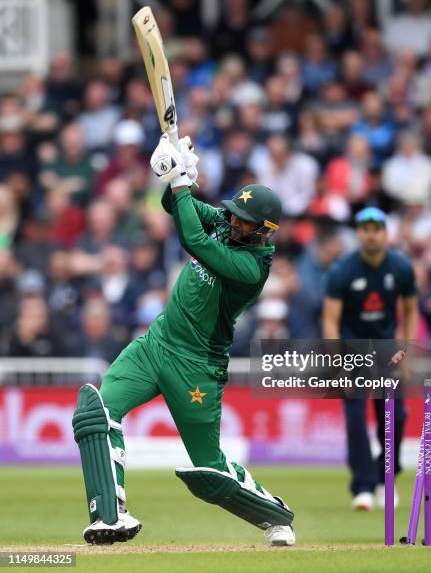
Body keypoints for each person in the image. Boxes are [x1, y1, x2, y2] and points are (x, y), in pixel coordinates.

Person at [72, 134, 295, 546]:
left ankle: (275, 513)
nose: (231, 222)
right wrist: (178, 178)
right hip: (154, 344)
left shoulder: (251, 267)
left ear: (263, 231)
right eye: (231, 214)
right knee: (97, 413)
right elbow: (175, 208)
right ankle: (110, 516)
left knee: (209, 469)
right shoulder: (229, 229)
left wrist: (179, 184)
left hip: (197, 365)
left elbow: (192, 238)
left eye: (242, 221)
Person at [322, 207, 418, 511]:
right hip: (353, 351)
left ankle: (384, 478)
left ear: (385, 233)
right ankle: (362, 487)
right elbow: (330, 320)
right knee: (355, 417)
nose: (371, 233)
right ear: (358, 233)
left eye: (377, 228)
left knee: (395, 418)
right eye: (365, 228)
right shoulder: (342, 270)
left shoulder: (401, 267)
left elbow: (411, 310)